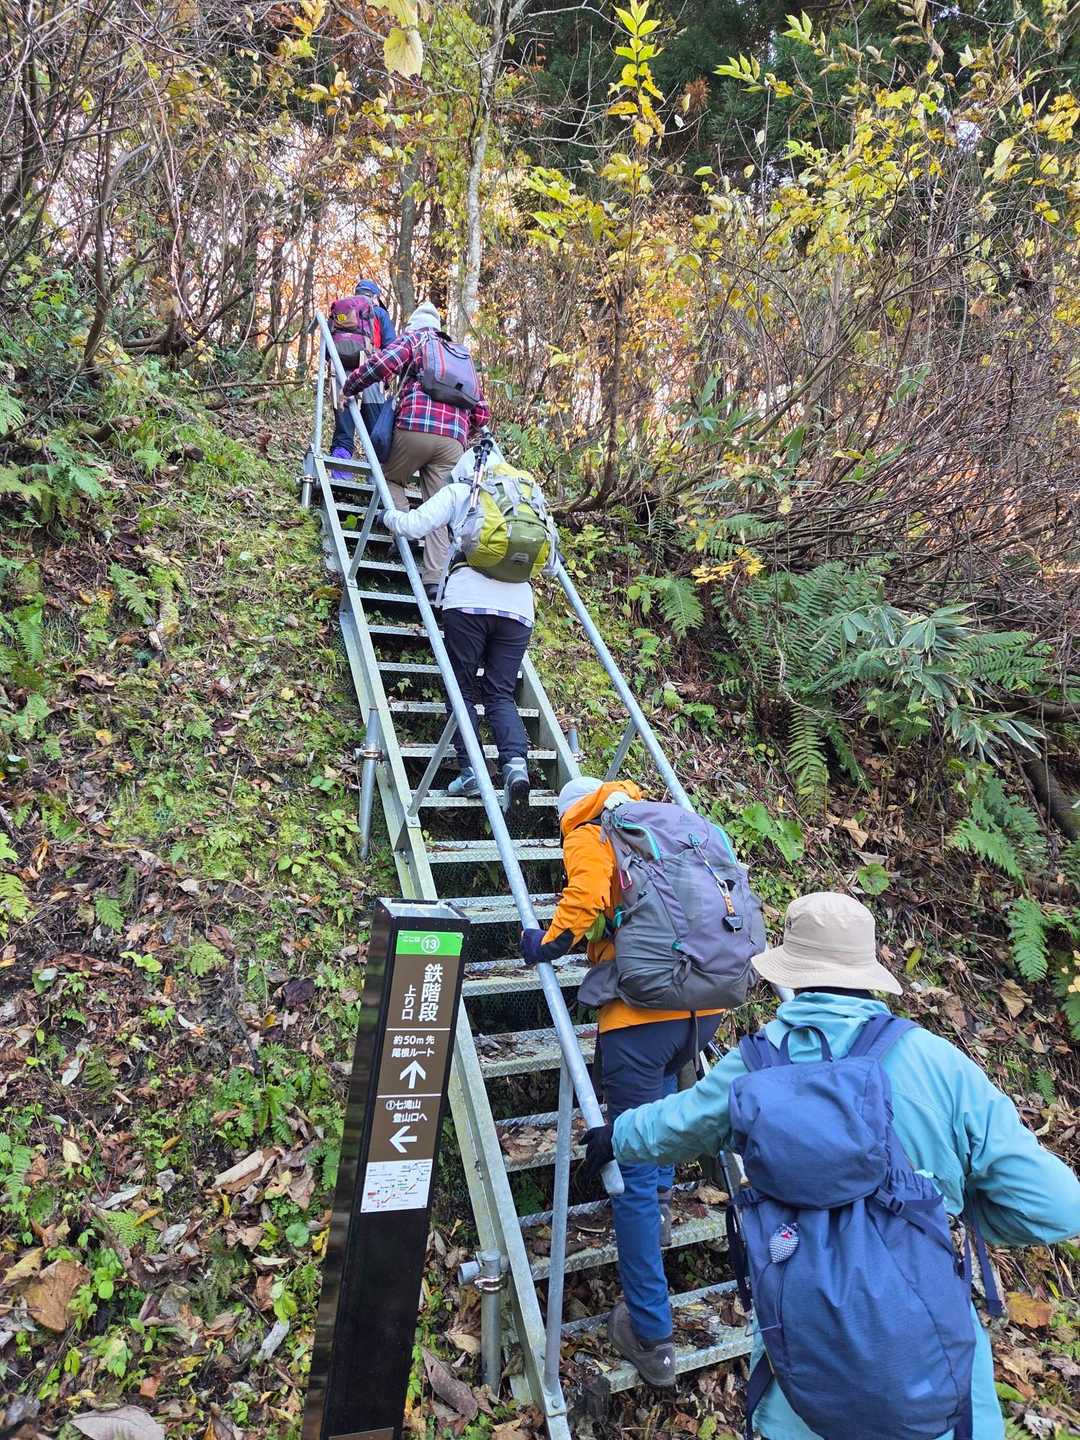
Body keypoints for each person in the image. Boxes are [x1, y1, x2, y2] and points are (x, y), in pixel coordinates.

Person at [583, 891, 1080, 1433]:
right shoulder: (939, 1065)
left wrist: (614, 1138)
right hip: (933, 1373)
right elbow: (1059, 1206)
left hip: (801, 1374)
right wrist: (949, 1210)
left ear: (791, 972)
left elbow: (675, 1126)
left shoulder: (754, 1068)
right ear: (867, 972)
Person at [521, 776, 725, 1387]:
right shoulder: (668, 824)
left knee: (629, 1161)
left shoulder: (591, 829)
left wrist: (546, 942)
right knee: (659, 1110)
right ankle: (660, 1208)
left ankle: (651, 1333)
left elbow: (585, 895)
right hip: (701, 1008)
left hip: (639, 1015)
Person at [381, 448, 533, 810]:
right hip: (519, 610)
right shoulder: (525, 500)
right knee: (500, 693)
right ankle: (515, 765)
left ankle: (472, 773)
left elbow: (414, 525)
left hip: (467, 603)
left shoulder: (463, 490)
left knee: (461, 688)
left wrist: (388, 515)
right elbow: (553, 564)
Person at [343, 302, 490, 598]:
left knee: (387, 477)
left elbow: (382, 364)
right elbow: (482, 412)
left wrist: (350, 385)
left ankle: (405, 530)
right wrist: (463, 431)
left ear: (413, 325)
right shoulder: (461, 356)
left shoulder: (416, 339)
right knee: (441, 507)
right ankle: (434, 580)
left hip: (415, 427)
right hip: (454, 442)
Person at [329, 280, 397, 473]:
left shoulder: (340, 312)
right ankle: (374, 477)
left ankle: (340, 474)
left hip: (341, 374)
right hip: (371, 375)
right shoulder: (379, 313)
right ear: (375, 297)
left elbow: (328, 347)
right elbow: (391, 347)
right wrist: (387, 378)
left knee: (344, 427)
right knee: (375, 427)